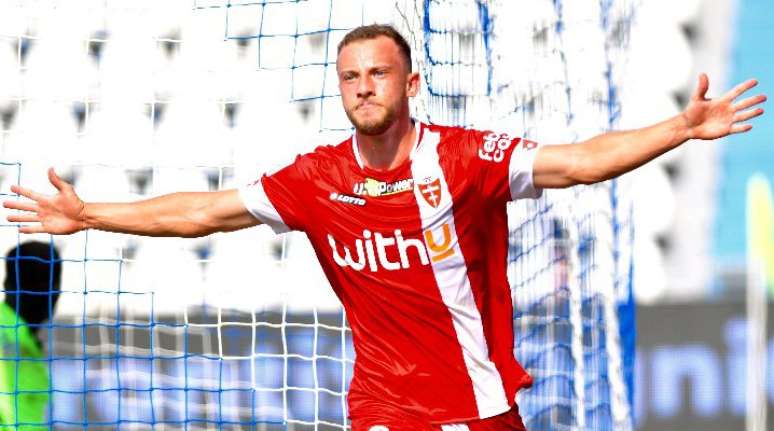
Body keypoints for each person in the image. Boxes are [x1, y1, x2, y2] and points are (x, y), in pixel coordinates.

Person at [2, 24, 766, 431]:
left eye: (378, 72)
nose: (364, 87)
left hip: (476, 408)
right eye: (351, 76)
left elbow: (579, 163)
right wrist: (89, 213)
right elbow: (205, 212)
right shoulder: (318, 178)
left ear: (411, 82)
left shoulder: (463, 159)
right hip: (380, 410)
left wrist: (680, 127)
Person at [0, 241, 61, 430]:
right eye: (35, 284)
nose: (45, 294)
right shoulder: (6, 335)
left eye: (48, 283)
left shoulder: (28, 341)